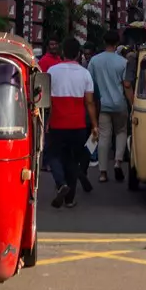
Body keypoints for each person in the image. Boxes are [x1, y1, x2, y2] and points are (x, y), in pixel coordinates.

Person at [44, 43, 97, 210]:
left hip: (57, 123)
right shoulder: (85, 74)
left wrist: (46, 122)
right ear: (78, 55)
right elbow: (89, 102)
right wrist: (94, 125)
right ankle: (69, 200)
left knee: (53, 155)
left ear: (63, 53)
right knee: (73, 161)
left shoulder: (52, 71)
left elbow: (47, 101)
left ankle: (61, 183)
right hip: (78, 125)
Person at [89, 38, 133, 183]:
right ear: (116, 44)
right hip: (119, 103)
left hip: (102, 104)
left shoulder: (95, 61)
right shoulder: (122, 62)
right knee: (121, 132)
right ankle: (118, 162)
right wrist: (132, 104)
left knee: (103, 136)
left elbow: (91, 83)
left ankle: (102, 173)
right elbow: (126, 85)